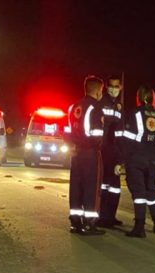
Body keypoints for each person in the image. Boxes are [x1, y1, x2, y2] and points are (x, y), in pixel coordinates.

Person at [120, 84, 155, 238]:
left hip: (136, 159)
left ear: (139, 98)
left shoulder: (135, 114)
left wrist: (121, 161)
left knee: (139, 193)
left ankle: (139, 227)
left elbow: (127, 141)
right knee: (151, 193)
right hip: (153, 160)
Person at [66, 76, 106, 235]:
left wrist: (72, 145)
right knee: (92, 187)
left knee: (76, 186)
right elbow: (96, 134)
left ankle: (75, 222)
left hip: (76, 153)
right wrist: (98, 145)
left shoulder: (74, 106)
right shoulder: (95, 107)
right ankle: (90, 223)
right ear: (98, 91)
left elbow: (68, 131)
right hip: (90, 153)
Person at [98, 75, 124, 228]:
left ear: (120, 88)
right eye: (111, 86)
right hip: (103, 148)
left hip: (115, 150)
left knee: (115, 187)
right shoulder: (101, 102)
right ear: (106, 87)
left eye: (116, 86)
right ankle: (102, 216)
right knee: (104, 184)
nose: (114, 89)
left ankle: (111, 216)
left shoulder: (119, 105)